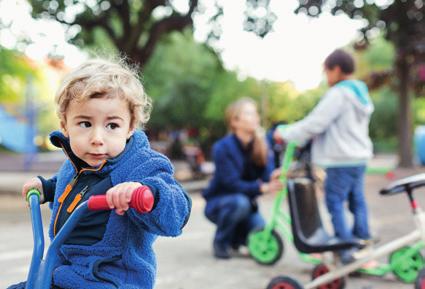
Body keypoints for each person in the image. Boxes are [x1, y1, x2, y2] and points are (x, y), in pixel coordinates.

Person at [8, 58, 191, 289]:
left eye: (112, 126)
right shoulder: (76, 164)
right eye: (85, 124)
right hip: (64, 273)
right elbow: (74, 186)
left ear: (130, 126)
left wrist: (148, 195)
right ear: (65, 125)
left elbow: (178, 211)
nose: (97, 138)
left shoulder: (142, 165)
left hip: (110, 280)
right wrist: (47, 188)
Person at [274, 49, 374, 264]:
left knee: (334, 201)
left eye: (326, 72)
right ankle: (362, 243)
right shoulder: (360, 93)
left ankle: (345, 250)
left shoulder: (339, 93)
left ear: (336, 70)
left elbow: (315, 123)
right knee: (358, 202)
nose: (326, 77)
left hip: (340, 160)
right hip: (358, 159)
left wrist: (285, 132)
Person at [202, 97, 283, 259]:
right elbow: (231, 183)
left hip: (247, 206)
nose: (255, 117)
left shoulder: (261, 144)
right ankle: (221, 242)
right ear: (235, 121)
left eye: (255, 113)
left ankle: (236, 239)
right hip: (220, 203)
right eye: (248, 113)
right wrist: (261, 188)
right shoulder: (222, 148)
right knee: (240, 203)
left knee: (260, 235)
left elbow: (267, 176)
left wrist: (274, 175)